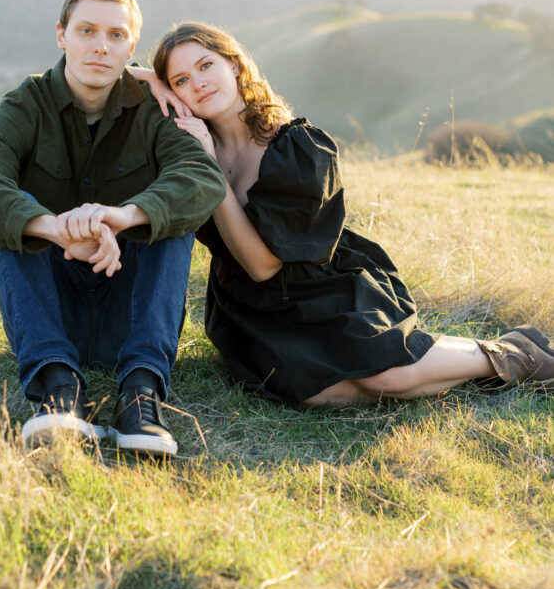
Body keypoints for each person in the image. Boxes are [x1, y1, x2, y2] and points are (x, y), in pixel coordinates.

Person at [151, 22, 554, 406]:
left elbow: (263, 265)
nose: (198, 83)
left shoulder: (297, 147)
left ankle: (511, 352)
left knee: (386, 378)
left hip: (322, 290)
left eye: (206, 66)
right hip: (250, 309)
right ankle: (458, 371)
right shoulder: (188, 148)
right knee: (316, 394)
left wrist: (212, 174)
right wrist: (145, 79)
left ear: (234, 64)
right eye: (180, 80)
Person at [0, 0, 225, 455]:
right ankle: (58, 390)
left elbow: (201, 177)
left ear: (131, 47)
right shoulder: (26, 104)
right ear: (61, 35)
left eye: (116, 35)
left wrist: (122, 218)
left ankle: (140, 396)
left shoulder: (155, 109)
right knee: (14, 217)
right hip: (52, 313)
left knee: (168, 218)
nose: (101, 46)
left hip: (131, 310)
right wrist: (53, 228)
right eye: (87, 31)